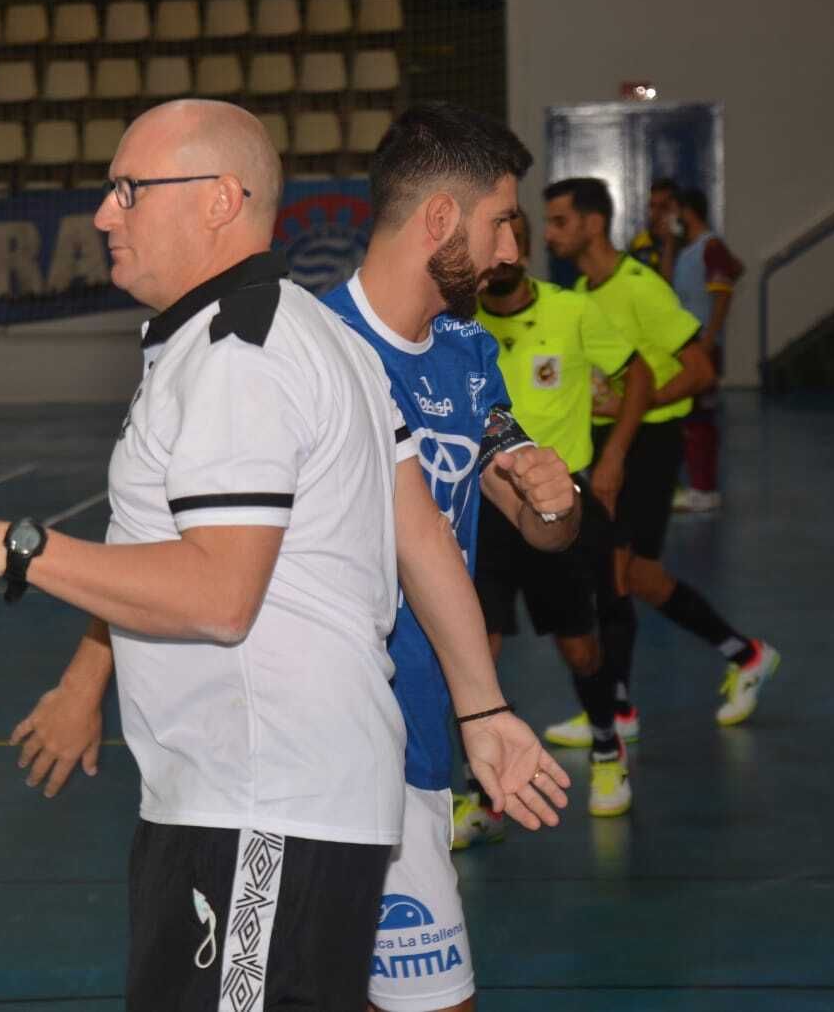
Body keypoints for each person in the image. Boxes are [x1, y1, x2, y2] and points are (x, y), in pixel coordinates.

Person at [0, 99, 570, 1009]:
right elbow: (424, 543)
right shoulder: (314, 341)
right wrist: (485, 711)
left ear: (218, 200)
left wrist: (18, 548)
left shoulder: (243, 354)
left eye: (129, 190)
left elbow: (217, 595)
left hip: (261, 809)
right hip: (276, 803)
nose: (103, 213)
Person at [316, 104, 580, 1009]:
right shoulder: (313, 350)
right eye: (503, 221)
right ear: (439, 220)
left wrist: (555, 498)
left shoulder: (472, 353)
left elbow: (532, 518)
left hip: (429, 729)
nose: (514, 251)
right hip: (319, 746)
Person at [543, 177, 781, 733]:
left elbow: (700, 372)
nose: (549, 234)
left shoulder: (641, 287)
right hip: (613, 441)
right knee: (640, 575)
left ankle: (615, 711)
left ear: (592, 223)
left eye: (559, 221)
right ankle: (746, 655)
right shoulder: (582, 292)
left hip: (648, 445)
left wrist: (634, 403)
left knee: (615, 574)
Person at [467, 208, 655, 823]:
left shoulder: (572, 312)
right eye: (488, 246)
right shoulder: (456, 324)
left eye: (511, 245)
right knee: (476, 652)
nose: (500, 256)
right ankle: (480, 786)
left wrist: (614, 458)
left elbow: (639, 374)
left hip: (557, 507)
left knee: (578, 648)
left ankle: (606, 742)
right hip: (482, 508)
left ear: (522, 252)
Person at [670, 187, 744, 514]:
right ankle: (695, 485)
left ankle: (705, 489)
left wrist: (708, 340)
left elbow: (724, 291)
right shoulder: (689, 250)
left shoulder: (709, 246)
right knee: (688, 420)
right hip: (688, 347)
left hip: (702, 347)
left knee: (701, 420)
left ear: (686, 211)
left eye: (674, 211)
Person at [628, 176, 681, 280]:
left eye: (663, 207)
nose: (655, 213)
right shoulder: (640, 244)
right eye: (652, 206)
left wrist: (669, 241)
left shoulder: (687, 244)